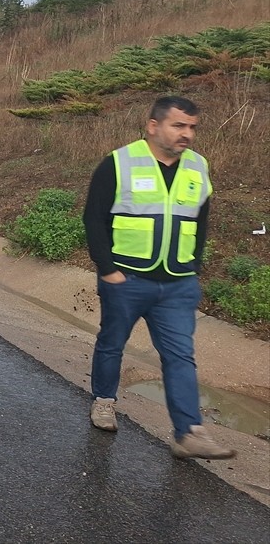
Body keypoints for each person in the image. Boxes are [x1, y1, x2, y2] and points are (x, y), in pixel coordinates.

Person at [84, 95, 234, 460]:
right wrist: (108, 270)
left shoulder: (198, 167)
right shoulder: (119, 163)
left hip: (178, 283)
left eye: (192, 127)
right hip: (127, 278)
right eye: (178, 125)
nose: (187, 134)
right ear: (154, 126)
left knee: (180, 355)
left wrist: (194, 267)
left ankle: (188, 432)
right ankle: (104, 401)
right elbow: (94, 219)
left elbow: (200, 221)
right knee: (112, 343)